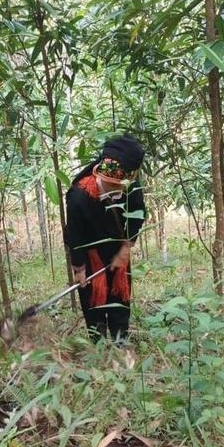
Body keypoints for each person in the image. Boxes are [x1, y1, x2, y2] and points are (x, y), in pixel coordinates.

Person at [64, 135, 146, 342]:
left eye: (122, 187)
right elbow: (75, 234)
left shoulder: (132, 187)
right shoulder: (79, 196)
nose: (118, 192)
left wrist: (126, 249)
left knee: (120, 297)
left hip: (119, 247)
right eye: (113, 187)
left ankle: (120, 341)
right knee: (93, 301)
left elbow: (138, 215)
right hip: (91, 254)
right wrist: (79, 269)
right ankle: (98, 345)